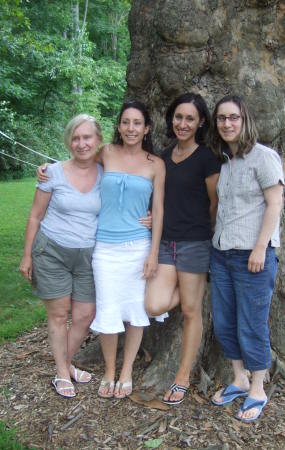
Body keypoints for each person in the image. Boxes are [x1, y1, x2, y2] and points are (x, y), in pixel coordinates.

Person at [209, 95, 284, 423]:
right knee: (225, 322)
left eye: (233, 117)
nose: (227, 123)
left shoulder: (264, 157)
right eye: (222, 118)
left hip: (252, 256)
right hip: (221, 254)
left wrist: (259, 249)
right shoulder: (226, 162)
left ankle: (257, 388)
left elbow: (275, 204)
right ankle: (239, 378)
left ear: (245, 120)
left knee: (252, 325)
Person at [19, 114, 104, 398]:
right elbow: (35, 216)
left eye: (87, 137)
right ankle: (61, 372)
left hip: (88, 254)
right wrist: (26, 256)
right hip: (51, 250)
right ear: (69, 142)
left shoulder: (107, 172)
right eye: (75, 138)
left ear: (98, 140)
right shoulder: (52, 172)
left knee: (85, 315)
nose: (81, 144)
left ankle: (65, 365)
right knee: (58, 314)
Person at [145, 93, 221, 405]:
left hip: (194, 244)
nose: (183, 123)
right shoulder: (162, 156)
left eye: (190, 118)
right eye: (178, 117)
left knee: (191, 311)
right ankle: (191, 288)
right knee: (153, 305)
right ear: (171, 119)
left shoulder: (207, 158)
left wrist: (200, 227)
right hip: (165, 243)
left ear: (201, 122)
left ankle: (182, 378)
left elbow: (215, 203)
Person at [90, 100, 166, 399]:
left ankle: (126, 371)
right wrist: (50, 170)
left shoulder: (155, 164)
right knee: (107, 308)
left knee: (136, 310)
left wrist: (153, 254)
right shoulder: (106, 153)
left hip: (138, 247)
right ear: (119, 126)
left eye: (137, 123)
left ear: (146, 128)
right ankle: (109, 369)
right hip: (105, 247)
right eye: (125, 122)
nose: (130, 128)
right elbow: (78, 161)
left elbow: (158, 210)